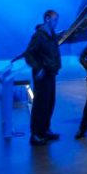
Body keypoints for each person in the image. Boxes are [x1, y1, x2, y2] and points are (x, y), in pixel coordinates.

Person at [11, 10, 62, 146]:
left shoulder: (52, 35)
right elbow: (29, 54)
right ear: (47, 19)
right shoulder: (39, 36)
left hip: (51, 73)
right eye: (55, 19)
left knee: (50, 103)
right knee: (40, 105)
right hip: (42, 75)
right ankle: (36, 134)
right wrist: (38, 68)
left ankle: (45, 130)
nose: (56, 22)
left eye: (57, 20)